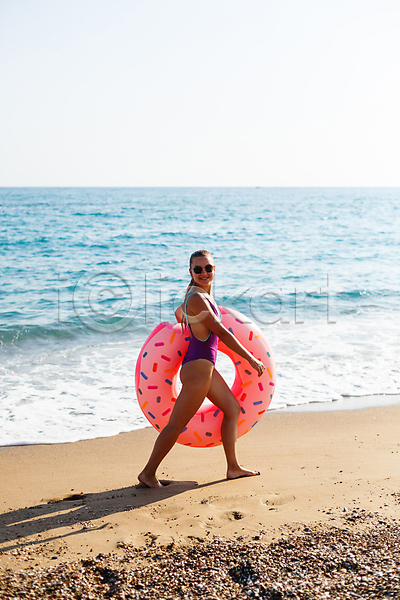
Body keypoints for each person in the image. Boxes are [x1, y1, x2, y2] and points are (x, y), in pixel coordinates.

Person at [138, 250, 265, 488]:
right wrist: (251, 359)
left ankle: (233, 467)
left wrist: (187, 316)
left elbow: (179, 313)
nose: (204, 272)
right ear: (191, 272)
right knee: (176, 425)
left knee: (232, 408)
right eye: (198, 269)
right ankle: (147, 473)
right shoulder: (197, 298)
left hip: (206, 368)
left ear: (214, 270)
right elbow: (221, 332)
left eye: (208, 268)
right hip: (197, 370)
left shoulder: (198, 296)